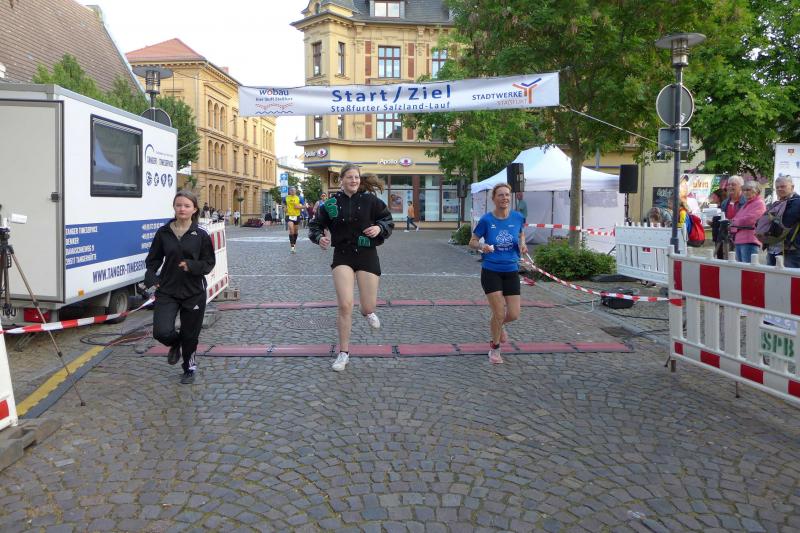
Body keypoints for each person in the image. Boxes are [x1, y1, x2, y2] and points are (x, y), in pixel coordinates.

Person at [308, 164, 394, 372]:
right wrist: (319, 238)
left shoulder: (370, 201)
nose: (354, 180)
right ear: (341, 180)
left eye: (356, 177)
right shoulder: (330, 204)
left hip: (367, 255)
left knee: (368, 306)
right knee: (345, 305)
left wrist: (379, 227)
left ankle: (367, 312)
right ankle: (343, 353)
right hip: (343, 255)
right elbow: (315, 226)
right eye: (349, 177)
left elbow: (388, 220)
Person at [144, 190, 216, 384]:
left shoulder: (200, 235)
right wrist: (151, 276)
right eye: (178, 205)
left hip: (193, 292)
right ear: (174, 207)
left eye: (186, 205)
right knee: (161, 332)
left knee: (190, 335)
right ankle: (176, 343)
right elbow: (153, 259)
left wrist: (191, 265)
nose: (182, 209)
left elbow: (209, 263)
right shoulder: (163, 232)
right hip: (168, 289)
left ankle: (189, 368)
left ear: (194, 209)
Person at [469, 183, 528, 365]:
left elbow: (521, 233)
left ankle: (498, 323)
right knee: (499, 312)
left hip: (511, 270)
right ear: (494, 199)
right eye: (500, 195)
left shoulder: (518, 217)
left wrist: (522, 244)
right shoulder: (486, 220)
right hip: (491, 271)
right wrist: (482, 246)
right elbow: (472, 241)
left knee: (514, 314)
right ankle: (494, 348)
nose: (504, 198)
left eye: (507, 195)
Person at [730, 180, 766, 263]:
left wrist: (734, 223)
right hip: (740, 240)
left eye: (748, 190)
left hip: (749, 240)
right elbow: (736, 218)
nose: (745, 192)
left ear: (756, 191)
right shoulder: (747, 203)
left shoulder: (759, 203)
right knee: (741, 267)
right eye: (744, 190)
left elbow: (750, 219)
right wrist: (734, 223)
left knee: (748, 267)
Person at [779, 177, 800, 268]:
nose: (779, 189)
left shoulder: (797, 202)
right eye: (777, 187)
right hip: (780, 247)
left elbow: (787, 222)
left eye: (783, 186)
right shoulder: (780, 203)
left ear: (792, 187)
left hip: (794, 248)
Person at [285, 187, 304, 253]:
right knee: (291, 230)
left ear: (296, 191)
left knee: (295, 232)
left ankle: (294, 243)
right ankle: (292, 247)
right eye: (291, 190)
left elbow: (305, 206)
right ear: (289, 191)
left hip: (296, 216)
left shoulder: (300, 198)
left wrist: (299, 207)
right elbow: (283, 203)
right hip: (289, 215)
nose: (292, 191)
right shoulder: (286, 197)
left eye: (293, 190)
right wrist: (284, 208)